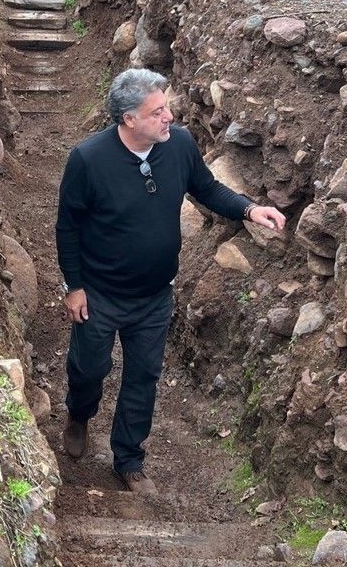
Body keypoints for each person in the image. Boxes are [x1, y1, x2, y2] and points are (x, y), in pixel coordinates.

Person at [55, 68, 285, 495]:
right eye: (157, 111)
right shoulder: (88, 159)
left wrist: (250, 210)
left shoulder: (178, 145)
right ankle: (78, 415)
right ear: (128, 119)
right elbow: (67, 227)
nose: (169, 117)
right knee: (89, 369)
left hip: (154, 296)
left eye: (167, 106)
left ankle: (129, 460)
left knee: (143, 377)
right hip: (100, 294)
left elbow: (208, 189)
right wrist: (75, 286)